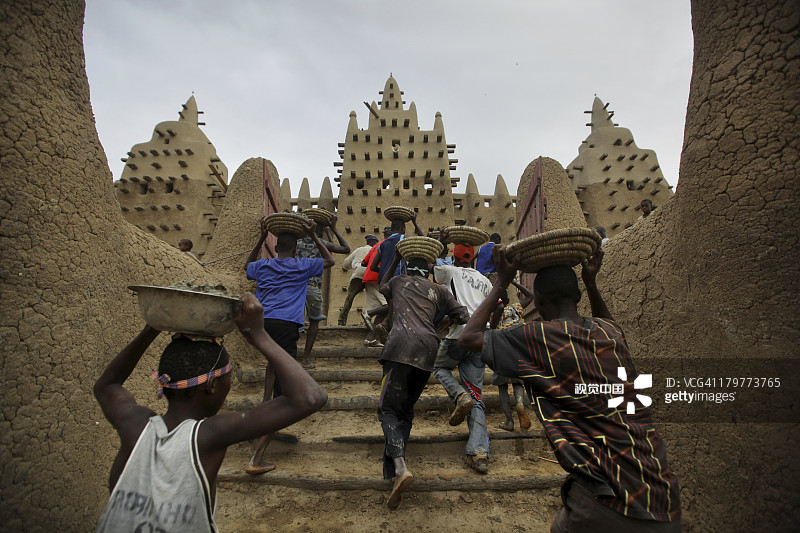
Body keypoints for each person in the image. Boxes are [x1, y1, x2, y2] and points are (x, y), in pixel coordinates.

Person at [459, 246, 681, 532]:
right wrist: (591, 283)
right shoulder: (608, 333)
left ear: (537, 300)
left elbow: (469, 338)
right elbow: (611, 324)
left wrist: (502, 280)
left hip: (611, 501)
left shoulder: (537, 336)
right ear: (577, 297)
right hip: (662, 491)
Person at [93, 293, 327, 532]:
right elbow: (310, 397)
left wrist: (151, 328)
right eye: (228, 377)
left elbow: (107, 386)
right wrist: (258, 335)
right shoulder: (208, 435)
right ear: (212, 385)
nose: (230, 384)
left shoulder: (134, 425)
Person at [377, 251, 468, 509]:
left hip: (399, 349)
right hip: (428, 350)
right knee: (405, 410)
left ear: (408, 268)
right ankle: (396, 470)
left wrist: (394, 260)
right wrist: (439, 323)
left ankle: (401, 467)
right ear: (428, 271)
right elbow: (464, 316)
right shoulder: (439, 292)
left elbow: (382, 285)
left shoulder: (398, 281)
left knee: (387, 411)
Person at [243, 220, 335, 474]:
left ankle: (264, 403)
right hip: (286, 325)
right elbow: (330, 261)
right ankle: (257, 456)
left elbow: (246, 266)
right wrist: (315, 237)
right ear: (295, 249)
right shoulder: (302, 266)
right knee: (284, 395)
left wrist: (261, 240)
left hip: (262, 324)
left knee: (272, 364)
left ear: (276, 246)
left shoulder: (263, 266)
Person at [431, 229, 493, 473]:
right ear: (473, 258)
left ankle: (459, 395)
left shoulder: (450, 271)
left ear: (455, 258)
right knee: (477, 393)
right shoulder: (485, 280)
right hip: (482, 339)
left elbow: (431, 265)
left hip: (460, 335)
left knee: (438, 366)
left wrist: (440, 243)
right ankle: (479, 453)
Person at [296, 214, 350, 369]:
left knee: (293, 321)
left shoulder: (297, 243)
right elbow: (346, 248)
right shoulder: (323, 243)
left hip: (295, 288)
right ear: (320, 231)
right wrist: (333, 229)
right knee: (314, 322)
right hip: (313, 287)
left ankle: (289, 357)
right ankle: (305, 359)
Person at [338, 234, 379, 325]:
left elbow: (346, 264)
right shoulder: (376, 250)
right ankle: (372, 319)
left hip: (358, 274)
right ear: (373, 243)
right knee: (374, 298)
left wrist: (346, 268)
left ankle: (341, 321)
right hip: (371, 275)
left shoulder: (359, 250)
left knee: (349, 298)